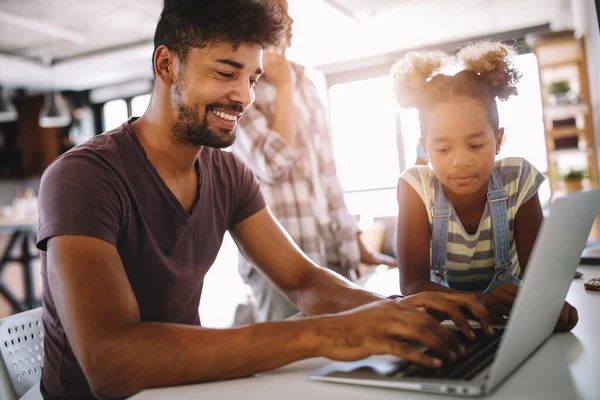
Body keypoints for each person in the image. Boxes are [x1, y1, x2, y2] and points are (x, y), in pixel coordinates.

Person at [37, 1, 493, 398]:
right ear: (165, 65)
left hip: (178, 391)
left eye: (252, 78)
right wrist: (323, 334)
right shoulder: (81, 178)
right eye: (225, 73)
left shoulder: (228, 173)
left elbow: (303, 281)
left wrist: (401, 308)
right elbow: (109, 362)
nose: (244, 96)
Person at [392, 42, 578, 330]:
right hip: (452, 325)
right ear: (425, 147)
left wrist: (549, 304)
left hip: (509, 323)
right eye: (443, 149)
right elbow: (412, 284)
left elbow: (538, 277)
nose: (461, 161)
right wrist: (480, 301)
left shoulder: (517, 179)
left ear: (498, 140)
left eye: (476, 144)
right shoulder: (417, 187)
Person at [232, 0, 396, 322]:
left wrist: (354, 243)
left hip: (331, 251)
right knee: (292, 363)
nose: (290, 20)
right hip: (278, 262)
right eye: (278, 12)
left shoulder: (303, 81)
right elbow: (273, 163)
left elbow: (327, 175)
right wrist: (281, 86)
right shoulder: (238, 87)